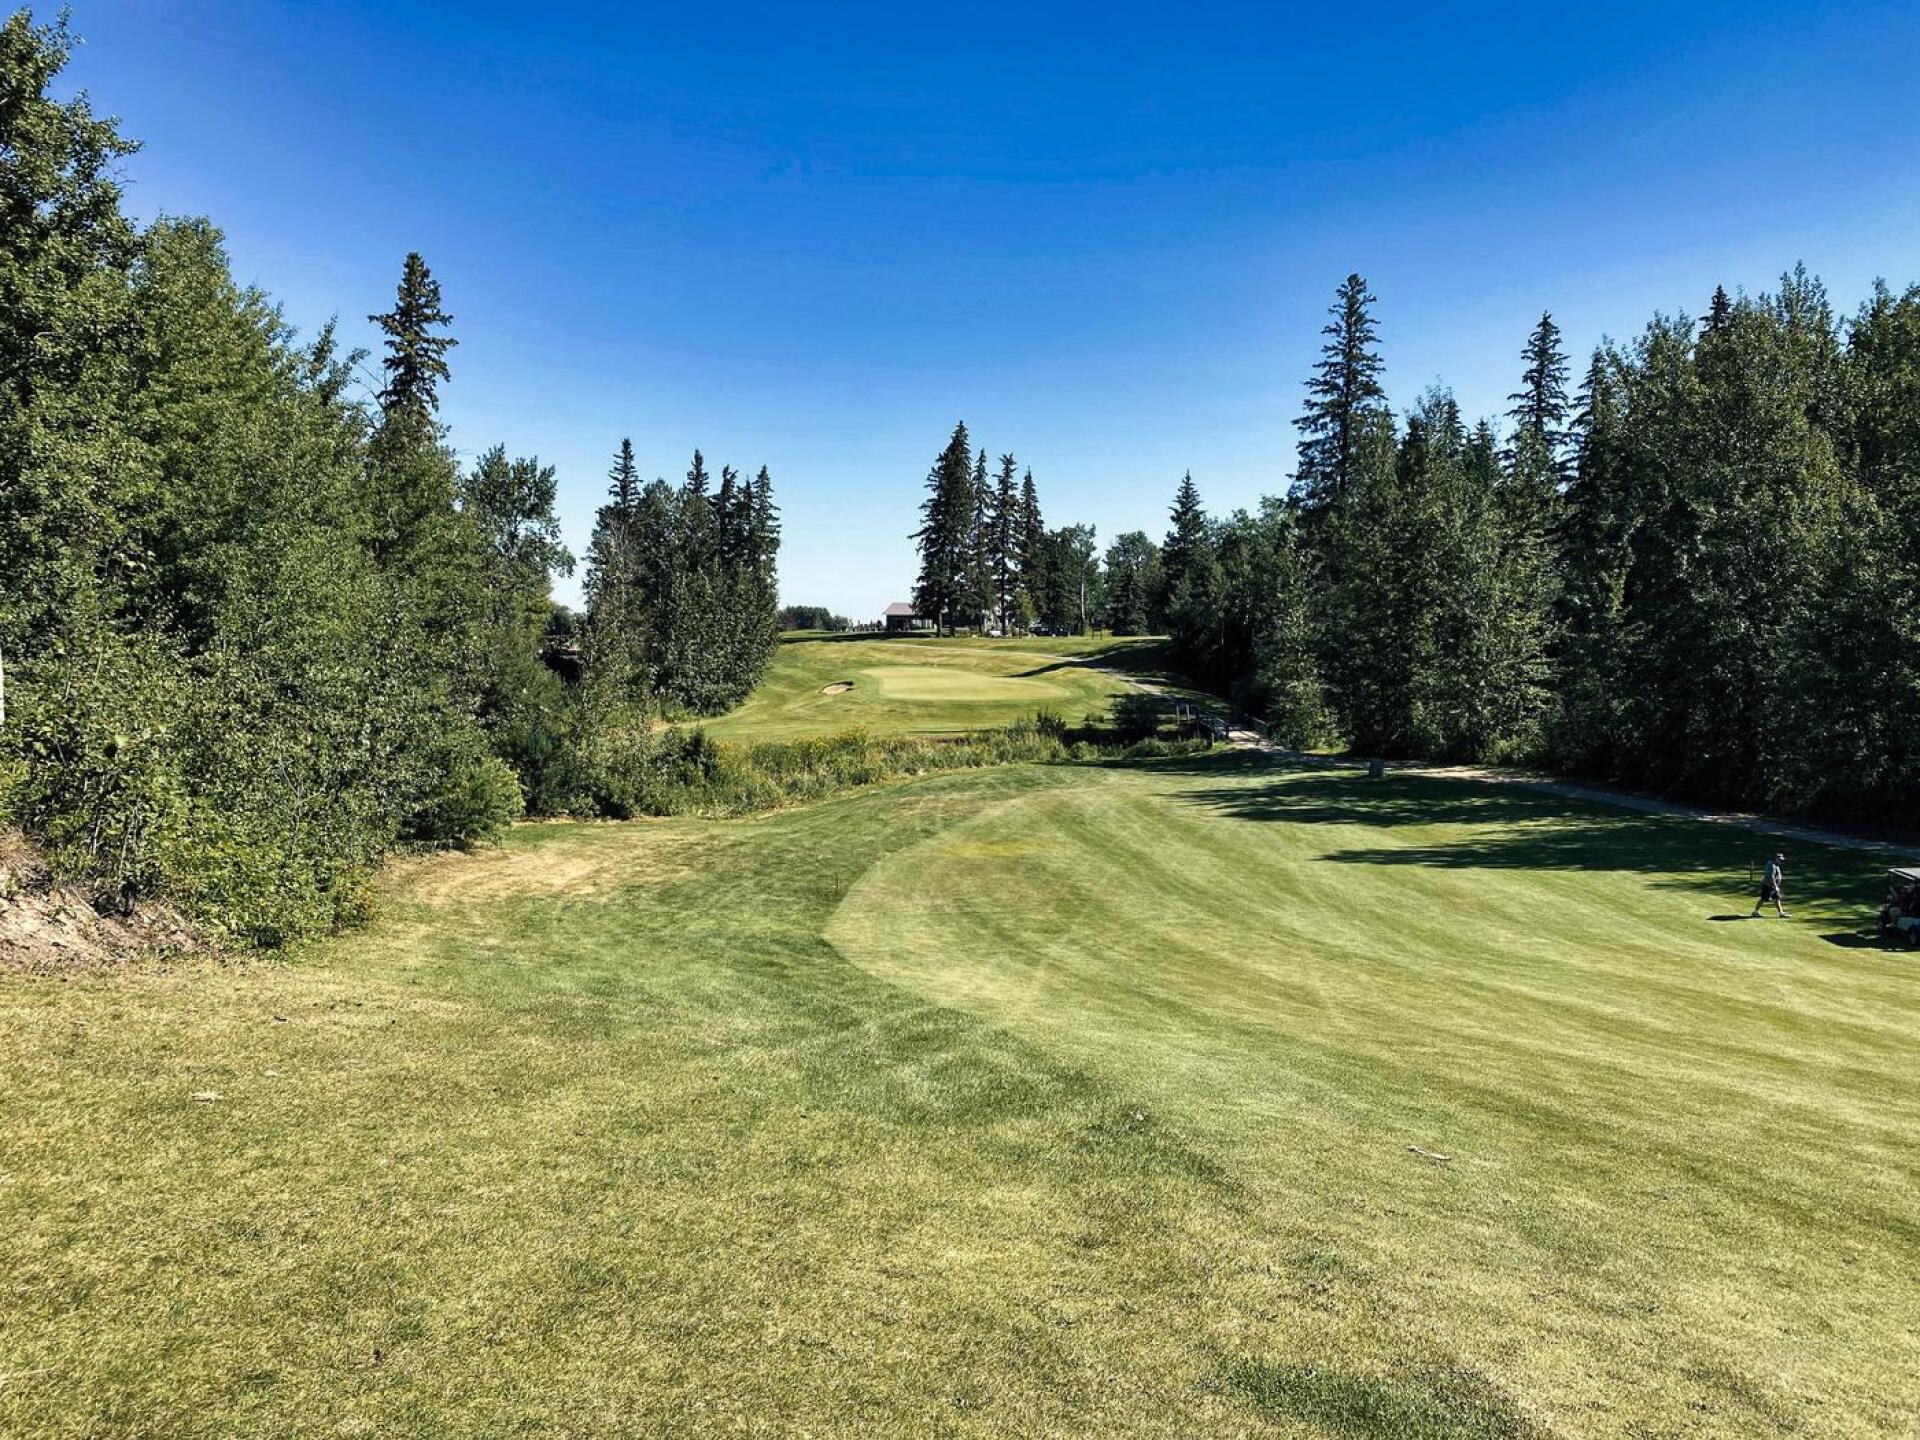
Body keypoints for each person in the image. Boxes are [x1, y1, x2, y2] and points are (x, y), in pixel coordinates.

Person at [1751, 852, 1788, 918]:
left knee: (1776, 898)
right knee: (1763, 899)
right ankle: (1755, 912)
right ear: (1776, 859)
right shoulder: (1772, 865)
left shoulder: (1775, 865)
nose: (1781, 861)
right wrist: (1775, 886)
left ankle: (1781, 913)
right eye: (1780, 860)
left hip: (1771, 885)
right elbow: (1771, 876)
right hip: (1768, 885)